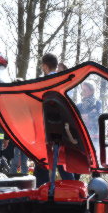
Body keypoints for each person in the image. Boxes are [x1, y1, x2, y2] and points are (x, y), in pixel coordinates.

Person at [35, 52, 75, 186]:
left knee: (43, 161)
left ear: (45, 67)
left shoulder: (43, 82)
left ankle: (40, 191)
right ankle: (73, 188)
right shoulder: (63, 81)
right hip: (62, 126)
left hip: (46, 127)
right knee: (61, 161)